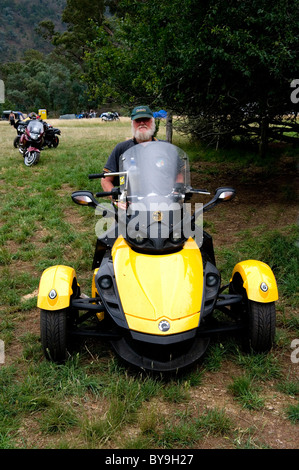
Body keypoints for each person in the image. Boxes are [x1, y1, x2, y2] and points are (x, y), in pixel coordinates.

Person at [101, 105, 157, 194]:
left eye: (146, 119)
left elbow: (179, 174)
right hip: (130, 202)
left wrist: (177, 192)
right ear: (132, 123)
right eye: (138, 120)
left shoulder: (165, 147)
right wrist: (117, 201)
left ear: (153, 122)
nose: (142, 123)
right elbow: (105, 180)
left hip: (161, 201)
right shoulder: (121, 148)